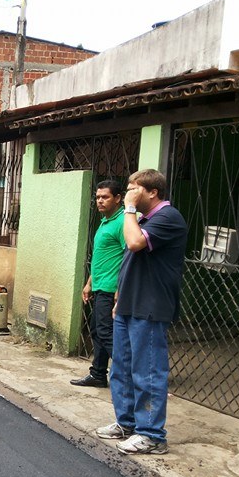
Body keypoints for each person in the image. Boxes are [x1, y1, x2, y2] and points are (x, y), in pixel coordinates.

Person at [96, 169, 187, 455]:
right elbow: (131, 261)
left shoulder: (168, 218)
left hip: (150, 307)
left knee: (147, 372)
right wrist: (118, 298)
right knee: (121, 368)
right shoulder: (142, 219)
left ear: (152, 192)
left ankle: (152, 434)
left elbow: (135, 244)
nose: (129, 193)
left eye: (133, 188)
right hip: (128, 304)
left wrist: (130, 208)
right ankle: (127, 422)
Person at [71, 180, 126, 388]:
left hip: (111, 288)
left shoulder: (123, 222)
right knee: (97, 330)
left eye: (105, 197)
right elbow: (100, 257)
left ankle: (128, 378)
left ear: (118, 198)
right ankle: (98, 374)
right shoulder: (105, 222)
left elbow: (129, 257)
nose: (100, 201)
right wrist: (88, 283)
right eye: (97, 197)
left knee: (106, 333)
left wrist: (121, 289)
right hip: (99, 285)